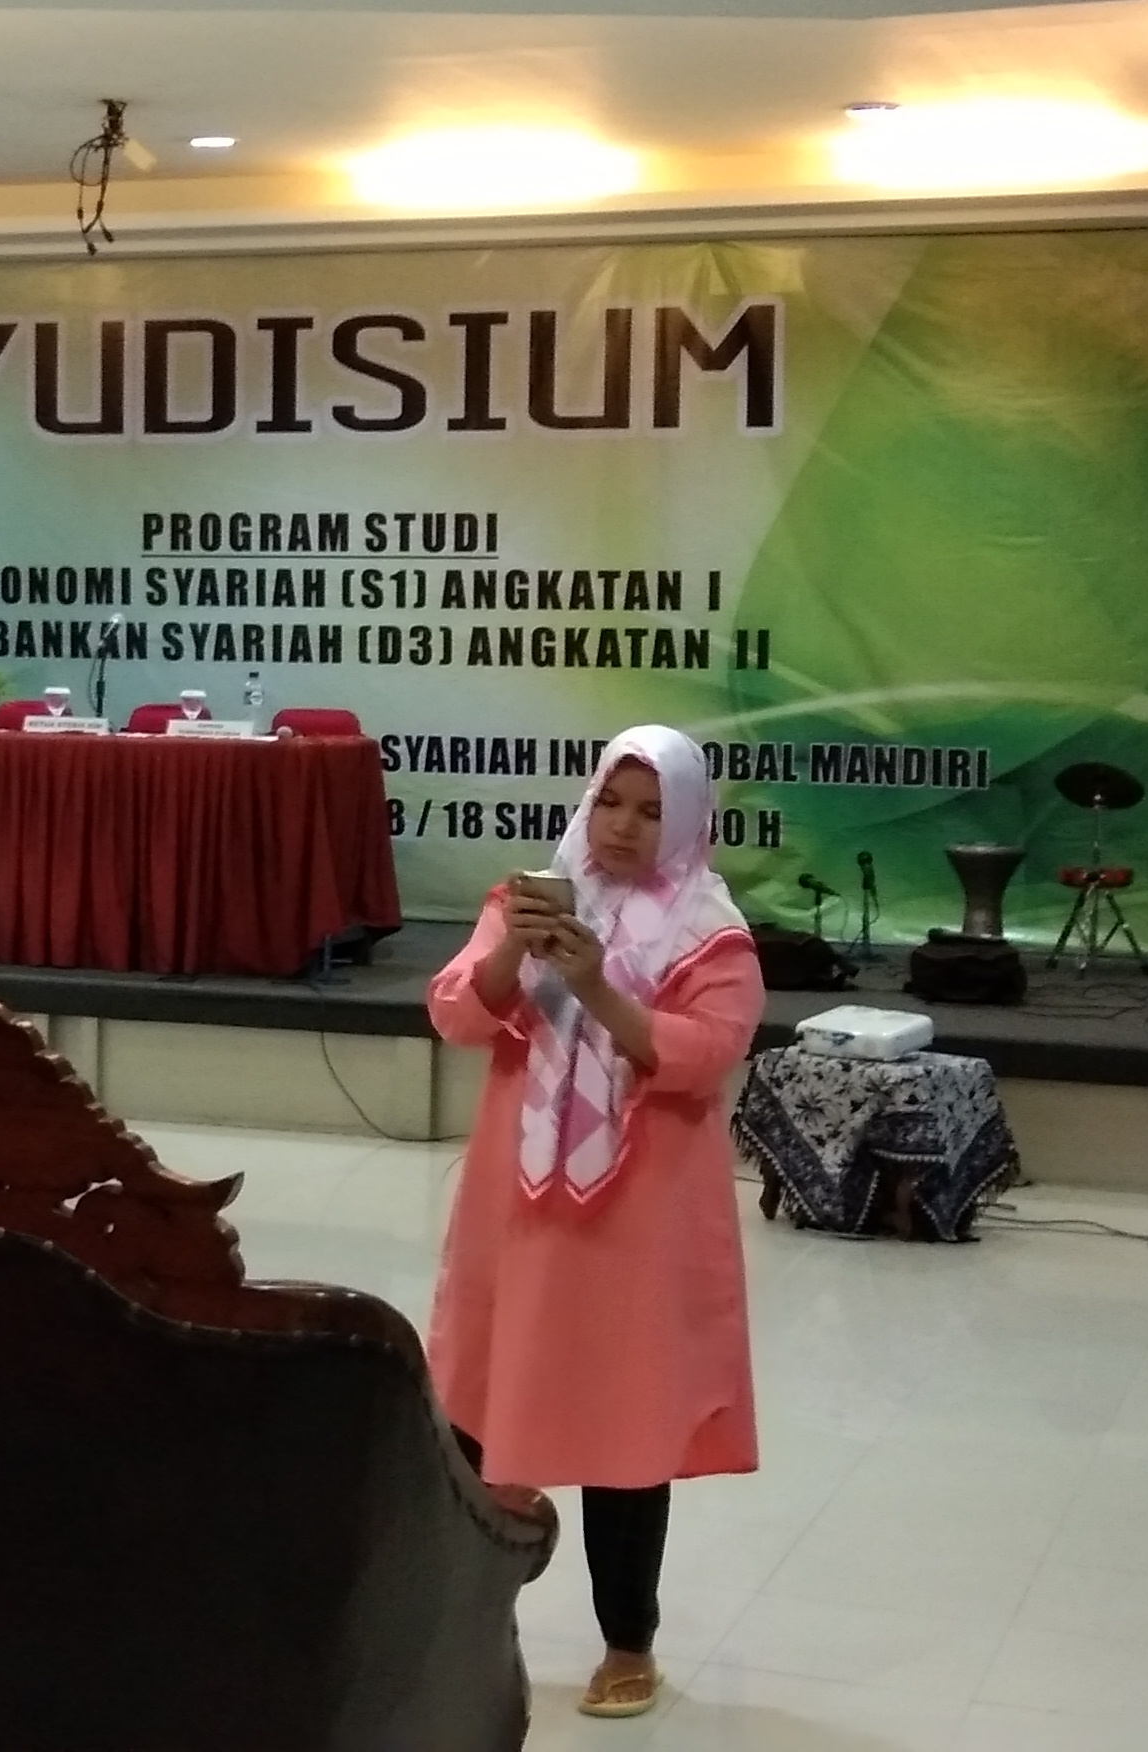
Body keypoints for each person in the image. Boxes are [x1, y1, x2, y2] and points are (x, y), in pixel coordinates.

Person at [424, 725, 764, 1721]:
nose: (622, 827)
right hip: (517, 1207)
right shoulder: (529, 897)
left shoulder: (711, 932)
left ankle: (628, 1645)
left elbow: (703, 1054)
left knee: (625, 1421)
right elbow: (457, 1014)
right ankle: (458, 1617)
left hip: (638, 1218)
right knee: (477, 1406)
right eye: (610, 802)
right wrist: (515, 953)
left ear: (688, 821)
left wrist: (595, 988)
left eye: (651, 811)